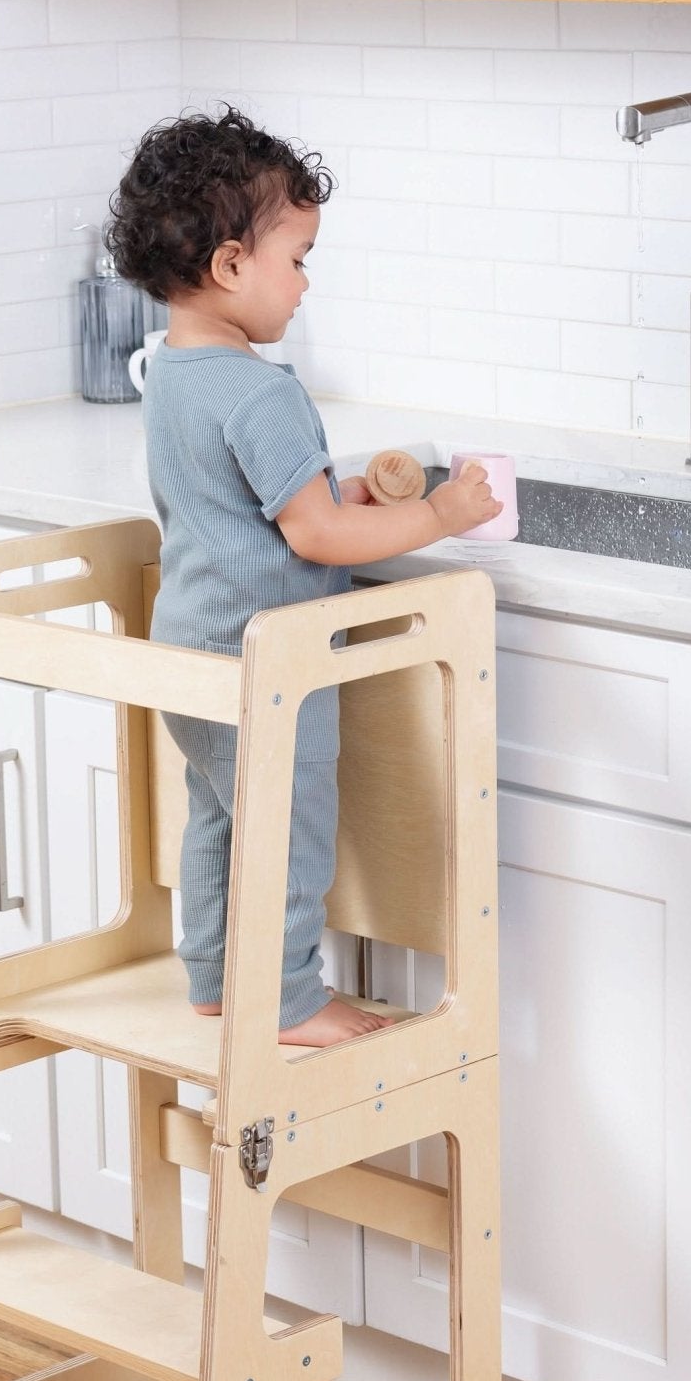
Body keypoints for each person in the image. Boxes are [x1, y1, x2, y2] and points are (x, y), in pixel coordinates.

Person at [108, 108, 501, 1046]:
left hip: (191, 651)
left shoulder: (173, 372)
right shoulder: (261, 390)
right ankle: (286, 997)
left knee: (218, 815)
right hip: (269, 665)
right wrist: (438, 516)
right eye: (298, 257)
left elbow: (263, 504)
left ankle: (212, 977)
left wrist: (353, 491)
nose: (305, 282)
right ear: (232, 266)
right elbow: (319, 537)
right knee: (285, 826)